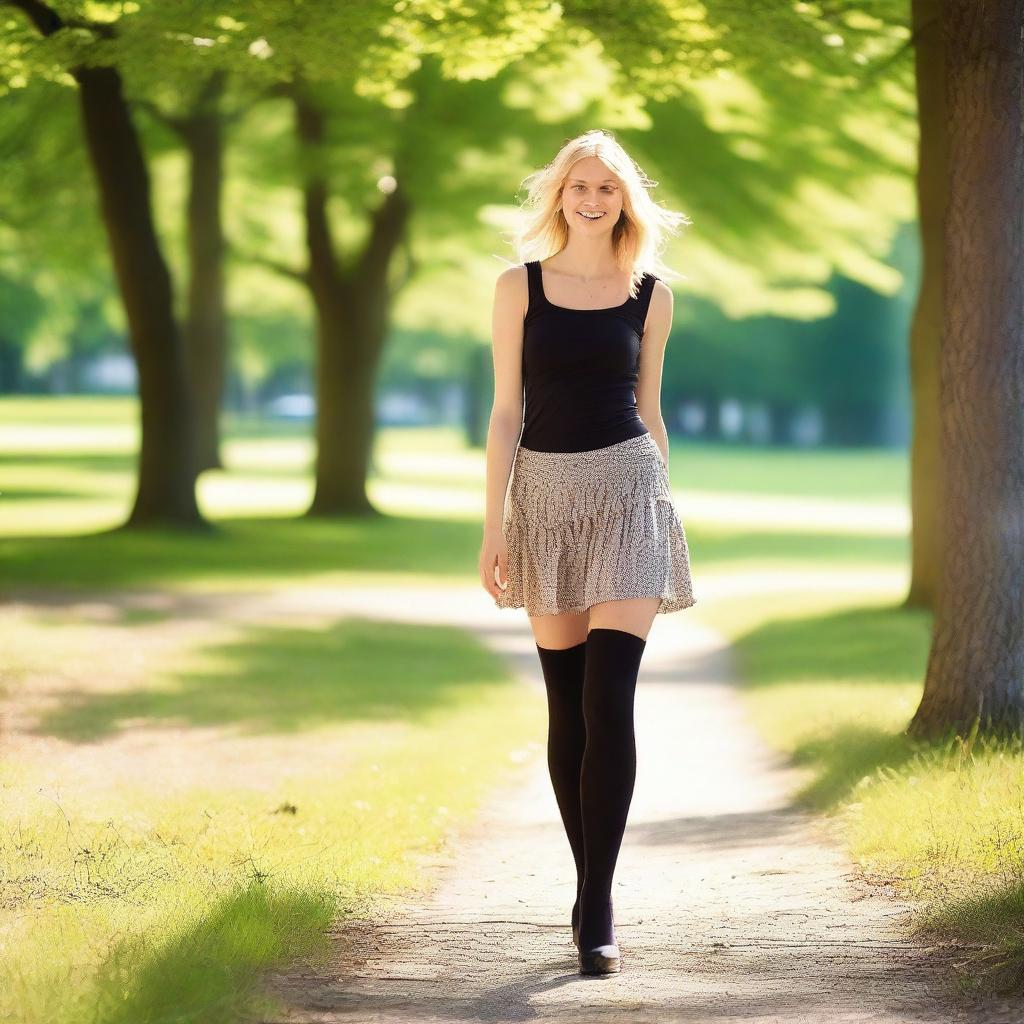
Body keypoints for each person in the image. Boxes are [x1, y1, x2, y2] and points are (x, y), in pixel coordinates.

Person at [478, 129, 697, 976]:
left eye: (610, 187)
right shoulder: (517, 287)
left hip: (629, 492)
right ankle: (584, 880)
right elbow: (504, 412)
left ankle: (597, 905)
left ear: (626, 200)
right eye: (581, 185)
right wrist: (493, 526)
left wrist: (663, 503)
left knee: (612, 697)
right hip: (545, 495)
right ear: (559, 195)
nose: (594, 198)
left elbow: (651, 406)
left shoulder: (653, 294)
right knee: (566, 706)